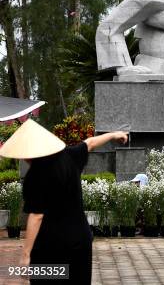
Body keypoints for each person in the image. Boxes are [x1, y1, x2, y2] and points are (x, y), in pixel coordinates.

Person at [0, 118, 128, 285]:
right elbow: (90, 143)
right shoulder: (70, 155)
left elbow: (37, 216)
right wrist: (114, 135)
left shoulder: (34, 177)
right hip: (80, 241)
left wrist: (25, 255)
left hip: (50, 248)